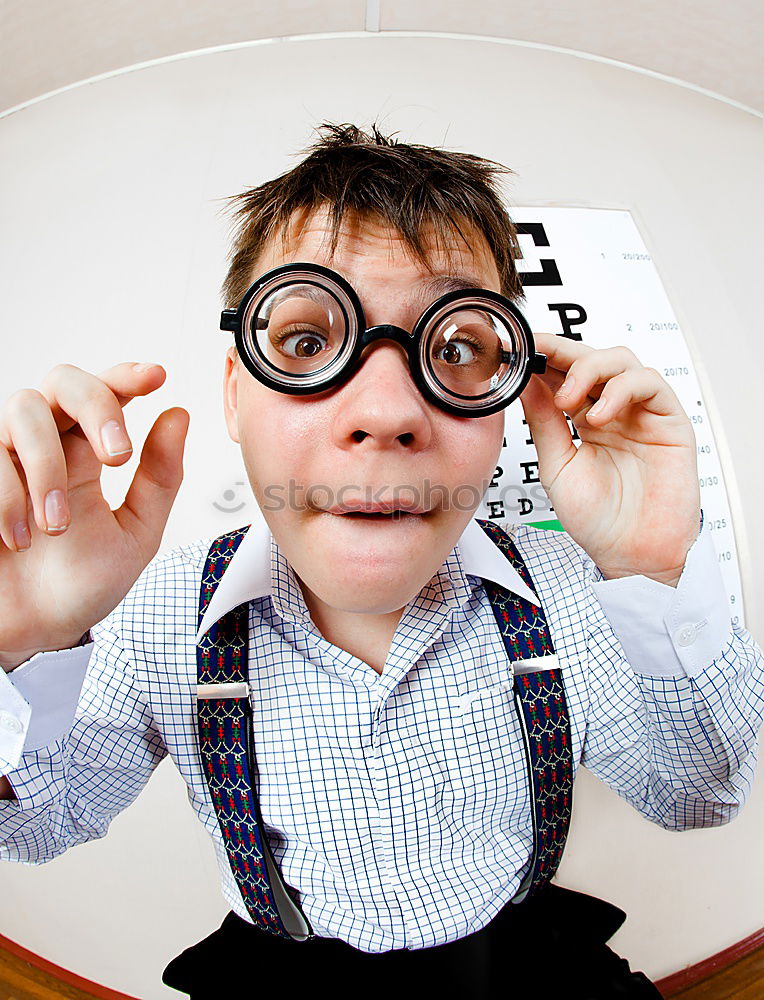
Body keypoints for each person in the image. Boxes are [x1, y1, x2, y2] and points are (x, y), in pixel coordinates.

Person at [0, 123, 762, 1000]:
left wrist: (656, 567)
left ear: (509, 396)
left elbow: (701, 797)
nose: (390, 411)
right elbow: (34, 827)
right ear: (235, 395)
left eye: (456, 347)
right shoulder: (159, 617)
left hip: (517, 964)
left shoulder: (574, 597)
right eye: (305, 341)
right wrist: (19, 648)